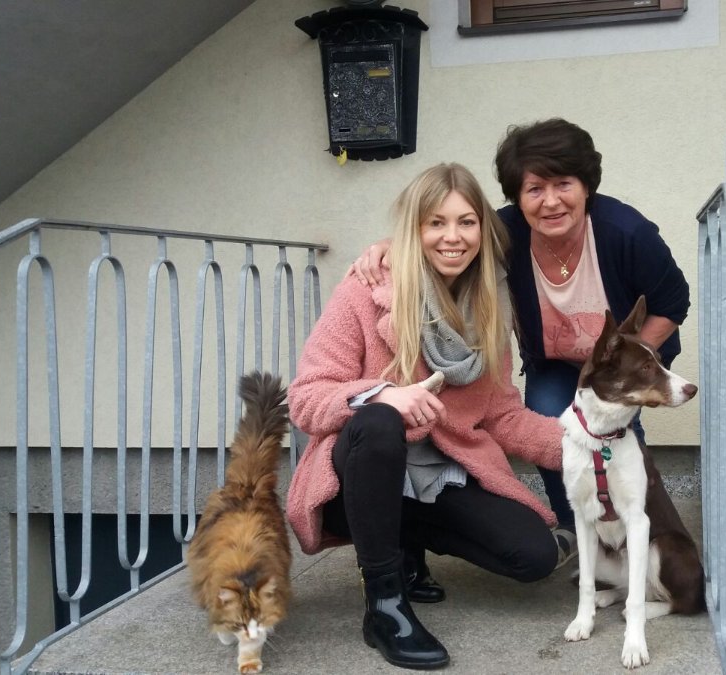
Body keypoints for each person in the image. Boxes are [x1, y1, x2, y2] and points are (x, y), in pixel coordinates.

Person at [351, 119, 691, 569]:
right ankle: (580, 532)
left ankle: (642, 539)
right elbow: (451, 236)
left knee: (619, 438)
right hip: (553, 361)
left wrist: (628, 366)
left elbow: (672, 301)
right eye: (534, 189)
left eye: (563, 184)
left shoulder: (626, 232)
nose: (550, 201)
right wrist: (389, 245)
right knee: (553, 422)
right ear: (517, 196)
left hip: (620, 364)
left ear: (586, 185)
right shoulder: (506, 231)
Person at [288, 163, 565, 670]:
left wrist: (582, 443)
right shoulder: (365, 290)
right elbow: (306, 397)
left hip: (439, 473)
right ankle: (386, 605)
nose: (452, 237)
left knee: (534, 556)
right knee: (379, 423)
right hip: (358, 475)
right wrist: (382, 395)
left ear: (482, 229)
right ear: (414, 230)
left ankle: (404, 540)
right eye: (436, 222)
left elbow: (501, 414)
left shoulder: (489, 307)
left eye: (466, 222)